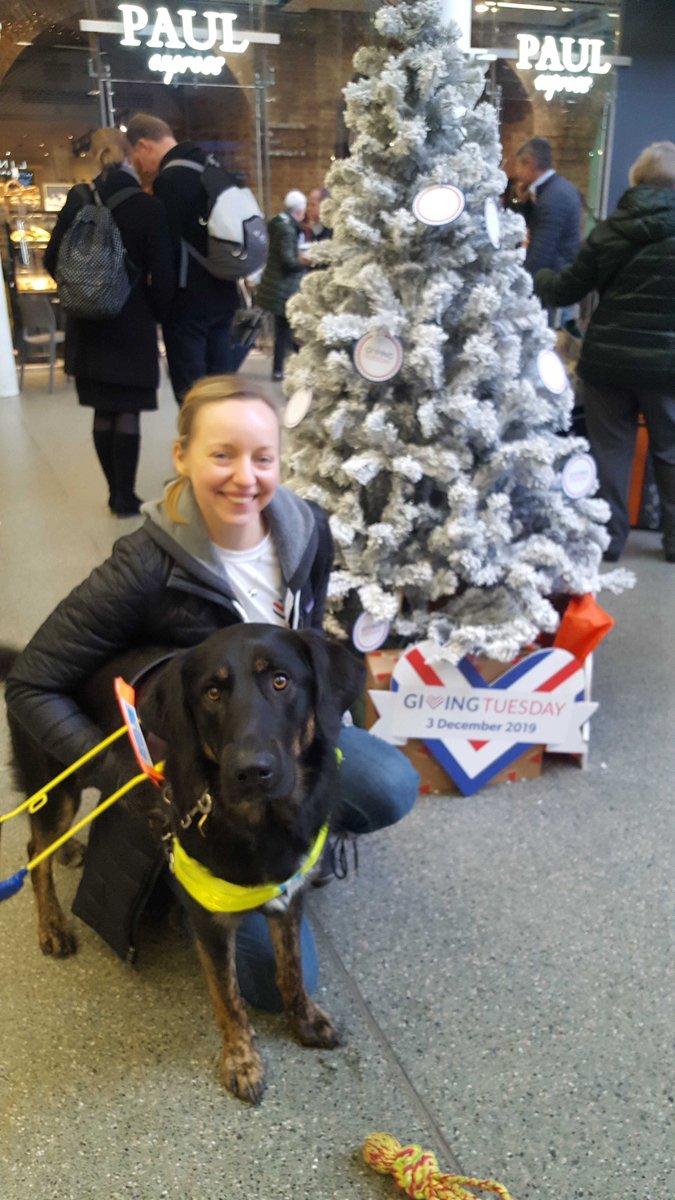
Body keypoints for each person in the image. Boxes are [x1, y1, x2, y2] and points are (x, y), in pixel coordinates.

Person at [5, 374, 419, 1010]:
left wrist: (332, 727)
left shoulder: (306, 531)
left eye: (262, 457)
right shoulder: (143, 566)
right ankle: (154, 889)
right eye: (221, 454)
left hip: (266, 740)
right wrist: (123, 771)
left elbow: (308, 651)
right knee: (273, 988)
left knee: (389, 782)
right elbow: (32, 682)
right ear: (183, 456)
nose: (243, 477)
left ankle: (292, 850)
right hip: (181, 754)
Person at [534, 141, 675, 565]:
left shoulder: (610, 231)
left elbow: (566, 290)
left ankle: (610, 540)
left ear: (636, 178)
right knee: (671, 450)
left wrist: (536, 272)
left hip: (608, 360)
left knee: (611, 450)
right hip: (668, 363)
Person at [43, 128, 175, 516]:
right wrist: (151, 310)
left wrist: (83, 291)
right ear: (130, 157)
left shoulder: (77, 199)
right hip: (131, 324)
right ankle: (126, 497)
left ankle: (113, 492)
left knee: (102, 410)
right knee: (127, 411)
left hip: (88, 325)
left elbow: (53, 259)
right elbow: (164, 276)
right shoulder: (148, 207)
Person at [126, 113, 240, 404]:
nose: (143, 167)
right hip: (225, 298)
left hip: (188, 309)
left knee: (193, 402)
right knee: (222, 395)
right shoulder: (214, 168)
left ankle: (201, 449)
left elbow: (166, 256)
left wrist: (160, 309)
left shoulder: (169, 181)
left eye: (138, 158)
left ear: (143, 145)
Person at [256, 190, 309, 381]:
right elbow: (288, 260)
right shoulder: (288, 229)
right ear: (299, 211)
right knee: (284, 329)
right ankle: (281, 369)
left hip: (274, 285)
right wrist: (305, 261)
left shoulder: (278, 223)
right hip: (283, 288)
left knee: (284, 329)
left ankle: (291, 363)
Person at [512, 137, 582, 278]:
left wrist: (519, 282)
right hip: (557, 277)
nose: (516, 172)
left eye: (518, 165)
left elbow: (541, 254)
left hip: (553, 283)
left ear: (530, 163)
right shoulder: (556, 189)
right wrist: (524, 204)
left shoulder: (552, 198)